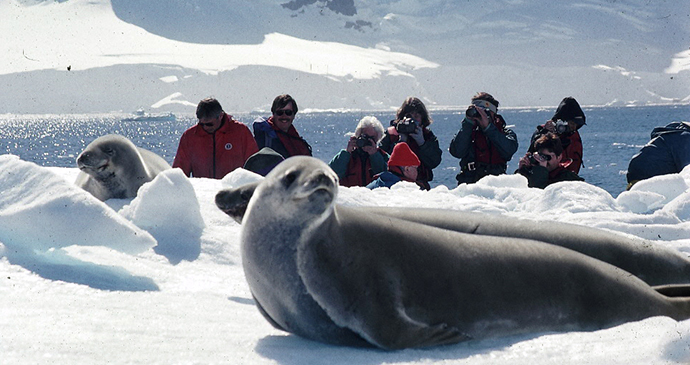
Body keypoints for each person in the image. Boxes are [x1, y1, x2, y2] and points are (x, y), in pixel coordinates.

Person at [173, 98, 258, 179]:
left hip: (234, 192)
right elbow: (179, 172)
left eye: (209, 124)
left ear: (220, 116)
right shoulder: (189, 137)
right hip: (204, 192)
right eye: (202, 124)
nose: (205, 127)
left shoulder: (241, 132)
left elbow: (255, 166)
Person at [449, 92, 518, 184]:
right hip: (470, 182)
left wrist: (488, 128)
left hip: (496, 184)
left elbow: (509, 150)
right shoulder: (468, 132)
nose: (480, 115)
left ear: (493, 113)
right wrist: (468, 123)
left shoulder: (505, 133)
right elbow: (457, 152)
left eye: (485, 111)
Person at [379, 97, 442, 190]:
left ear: (422, 118)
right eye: (409, 116)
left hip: (420, 184)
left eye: (416, 116)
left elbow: (434, 162)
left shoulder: (427, 136)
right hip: (395, 184)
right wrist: (401, 143)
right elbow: (382, 160)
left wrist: (422, 143)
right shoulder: (392, 134)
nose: (412, 120)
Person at [528, 96, 586, 174]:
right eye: (571, 123)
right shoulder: (544, 133)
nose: (574, 127)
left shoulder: (574, 136)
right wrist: (544, 133)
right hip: (547, 180)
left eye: (576, 124)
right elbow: (531, 154)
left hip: (570, 179)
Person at [626, 121, 690, 189]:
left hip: (635, 171)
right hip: (651, 175)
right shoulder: (686, 138)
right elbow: (687, 169)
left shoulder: (673, 133)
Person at [328, 116, 389, 187]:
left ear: (378, 139)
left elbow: (386, 177)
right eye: (364, 136)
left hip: (373, 196)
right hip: (352, 196)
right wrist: (346, 153)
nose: (367, 141)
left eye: (372, 138)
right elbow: (331, 175)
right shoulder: (347, 156)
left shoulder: (383, 156)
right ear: (357, 136)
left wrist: (375, 156)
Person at [252, 94, 312, 160]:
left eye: (288, 112)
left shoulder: (297, 142)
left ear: (294, 115)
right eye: (279, 112)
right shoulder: (263, 138)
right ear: (273, 114)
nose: (284, 116)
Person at [517, 132, 584, 189]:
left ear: (559, 157)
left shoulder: (568, 179)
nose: (543, 161)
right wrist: (522, 170)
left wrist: (541, 170)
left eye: (547, 157)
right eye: (541, 156)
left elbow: (539, 193)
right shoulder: (532, 172)